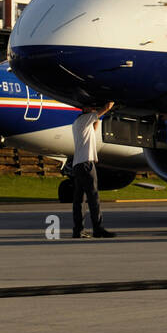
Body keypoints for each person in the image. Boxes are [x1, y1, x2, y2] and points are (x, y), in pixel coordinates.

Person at [70, 101, 115, 239]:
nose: (93, 109)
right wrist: (111, 102)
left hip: (78, 164)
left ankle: (78, 230)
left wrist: (97, 115)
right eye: (91, 106)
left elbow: (95, 128)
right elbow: (106, 107)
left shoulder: (79, 122)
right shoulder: (85, 118)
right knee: (93, 196)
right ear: (85, 108)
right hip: (86, 163)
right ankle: (98, 228)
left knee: (79, 199)